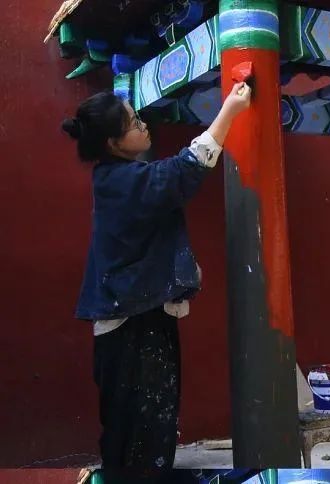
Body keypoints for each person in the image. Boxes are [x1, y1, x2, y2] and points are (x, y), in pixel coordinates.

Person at [62, 82, 252, 482]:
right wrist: (229, 112)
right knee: (140, 436)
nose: (143, 124)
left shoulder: (119, 177)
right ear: (114, 143)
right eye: (134, 123)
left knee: (143, 432)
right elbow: (181, 173)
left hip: (140, 318)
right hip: (131, 329)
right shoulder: (119, 181)